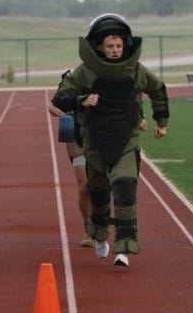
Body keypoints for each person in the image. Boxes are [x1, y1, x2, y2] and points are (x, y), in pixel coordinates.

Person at [52, 14, 169, 267]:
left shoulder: (136, 70)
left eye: (118, 45)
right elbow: (60, 97)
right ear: (99, 47)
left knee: (125, 186)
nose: (115, 50)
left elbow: (158, 89)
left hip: (126, 139)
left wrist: (161, 122)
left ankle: (125, 246)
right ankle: (99, 234)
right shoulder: (85, 71)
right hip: (95, 142)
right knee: (99, 193)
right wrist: (82, 100)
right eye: (110, 46)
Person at [48, 96, 94, 246]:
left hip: (102, 136)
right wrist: (60, 113)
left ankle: (100, 222)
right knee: (85, 186)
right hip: (77, 138)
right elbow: (52, 105)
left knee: (101, 186)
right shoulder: (72, 84)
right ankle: (89, 227)